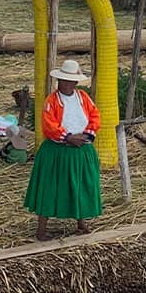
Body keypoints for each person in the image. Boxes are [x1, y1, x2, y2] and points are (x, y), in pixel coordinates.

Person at [25, 59, 102, 240]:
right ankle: (41, 229)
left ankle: (81, 222)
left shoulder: (83, 97)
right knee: (50, 187)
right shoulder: (51, 101)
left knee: (81, 185)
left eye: (70, 81)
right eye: (63, 81)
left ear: (75, 83)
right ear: (59, 81)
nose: (66, 84)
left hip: (81, 149)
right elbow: (49, 124)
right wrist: (67, 137)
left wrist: (86, 135)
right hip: (57, 151)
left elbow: (95, 116)